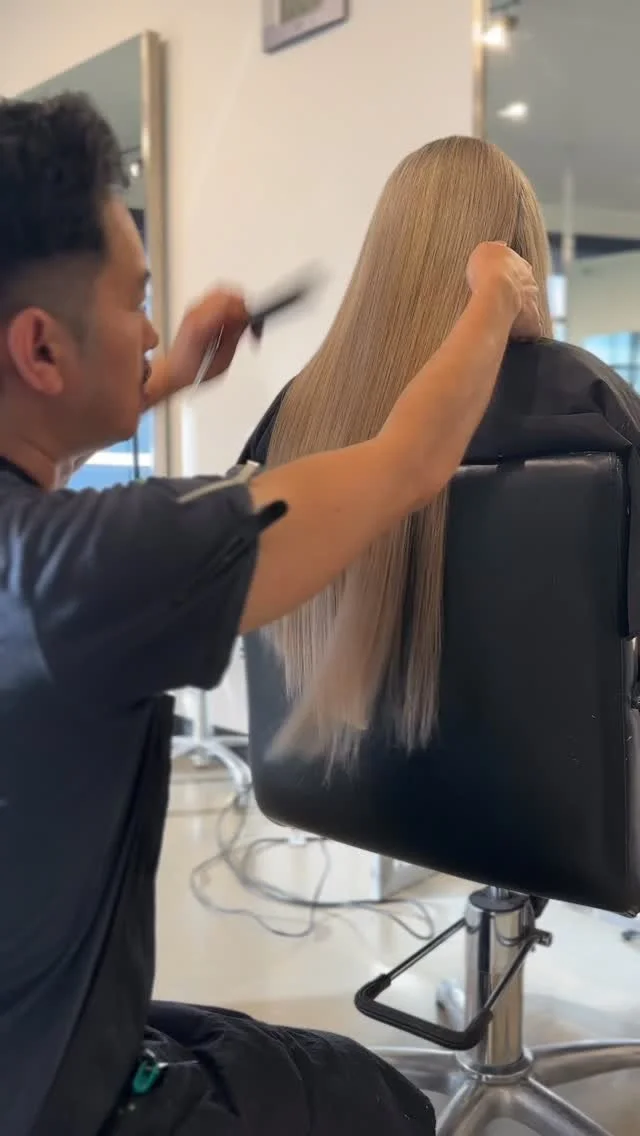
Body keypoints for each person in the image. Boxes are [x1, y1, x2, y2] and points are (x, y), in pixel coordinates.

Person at [0, 95, 541, 1136]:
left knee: (288, 1055)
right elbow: (409, 462)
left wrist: (162, 374)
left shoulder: (45, 556)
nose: (151, 330)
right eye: (136, 302)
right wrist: (492, 292)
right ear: (41, 349)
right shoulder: (92, 566)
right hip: (55, 1099)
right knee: (378, 1102)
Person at [240, 135, 640, 765]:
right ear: (519, 258)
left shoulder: (298, 408)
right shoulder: (585, 398)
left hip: (338, 778)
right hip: (551, 790)